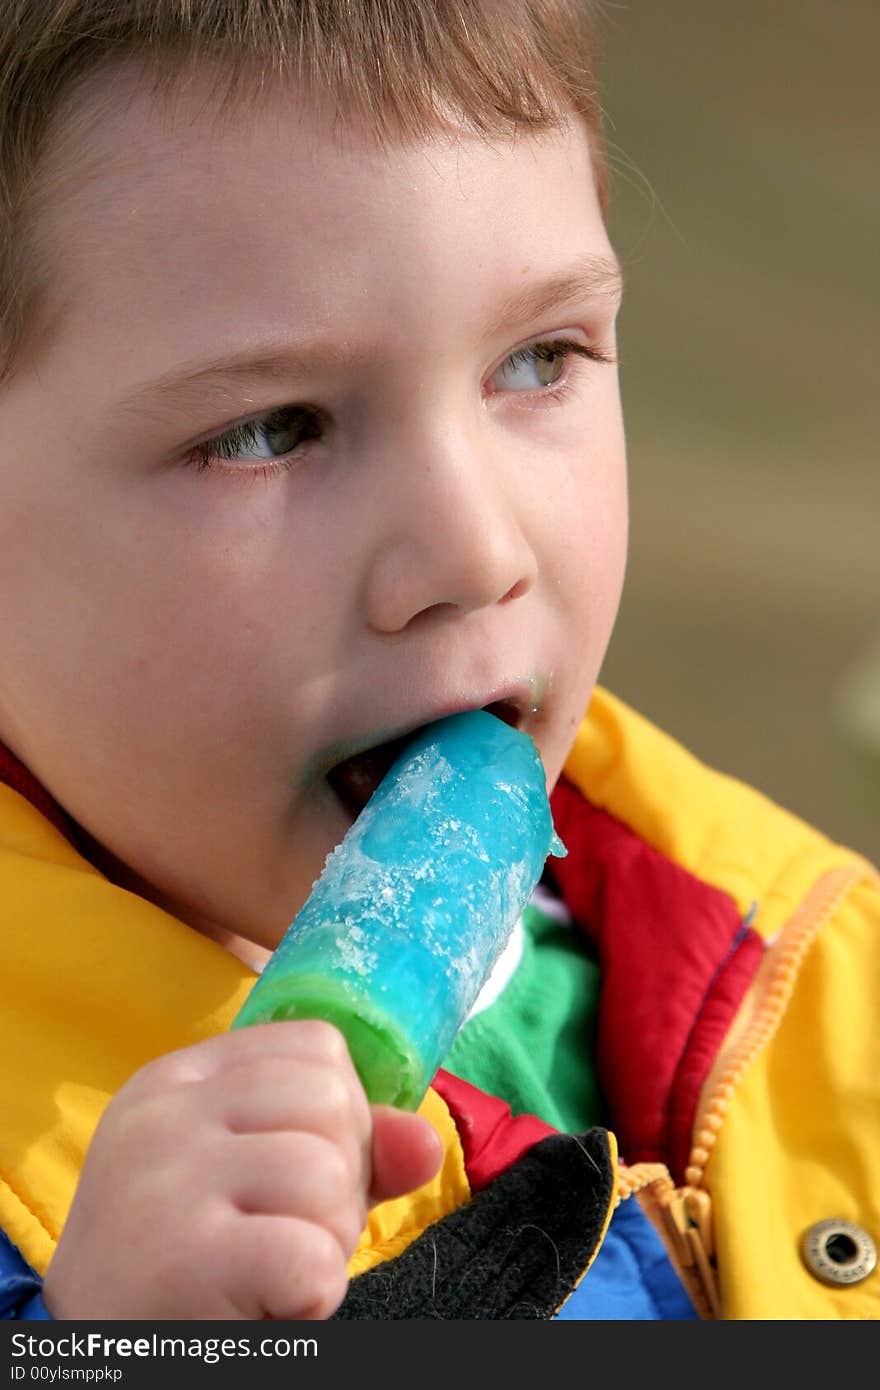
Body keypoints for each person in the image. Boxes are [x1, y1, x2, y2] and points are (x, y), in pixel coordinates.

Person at [0, 0, 876, 1322]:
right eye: (268, 429)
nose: (475, 551)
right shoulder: (59, 1261)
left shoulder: (827, 974)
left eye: (540, 356)